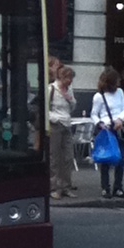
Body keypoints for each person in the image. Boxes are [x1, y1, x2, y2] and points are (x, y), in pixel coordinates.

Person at [90, 67, 124, 199]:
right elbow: (94, 114)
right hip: (106, 129)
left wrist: (120, 119)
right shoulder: (98, 96)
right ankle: (105, 188)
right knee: (106, 159)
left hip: (118, 128)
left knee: (120, 158)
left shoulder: (120, 92)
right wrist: (100, 124)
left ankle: (118, 187)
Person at [49, 65, 77, 199]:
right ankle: (54, 187)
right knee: (54, 157)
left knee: (68, 157)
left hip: (67, 123)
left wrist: (69, 98)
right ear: (61, 77)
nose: (70, 81)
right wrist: (54, 118)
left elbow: (73, 106)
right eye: (68, 78)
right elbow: (45, 108)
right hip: (55, 124)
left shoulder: (69, 90)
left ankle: (66, 186)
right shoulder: (51, 89)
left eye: (71, 78)